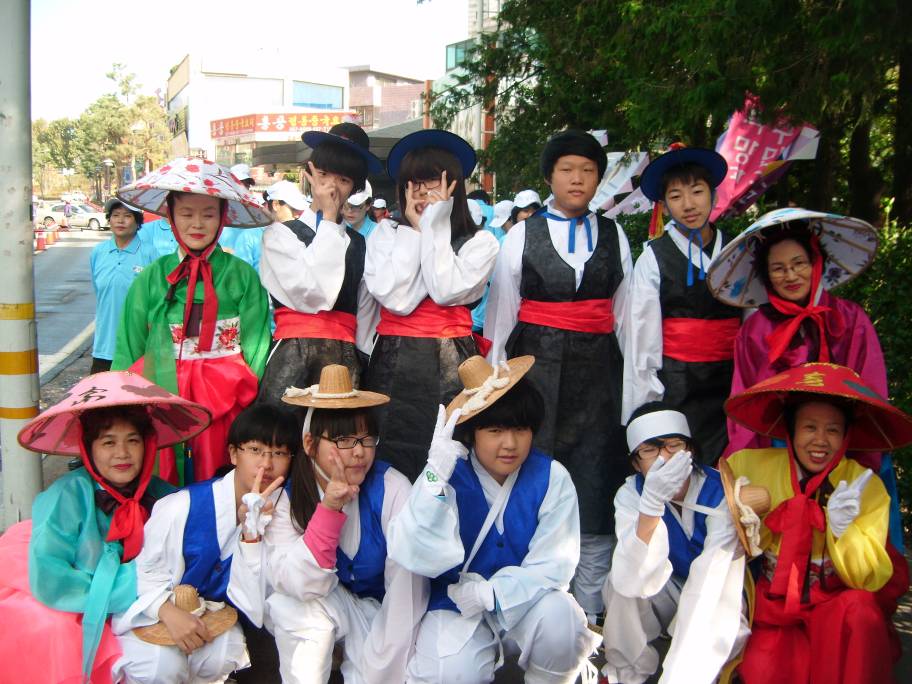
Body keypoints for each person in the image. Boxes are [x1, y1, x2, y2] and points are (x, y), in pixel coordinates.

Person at [484, 129, 632, 621]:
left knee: (595, 485)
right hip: (534, 377)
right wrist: (496, 384)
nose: (577, 179)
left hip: (599, 383)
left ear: (598, 180)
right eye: (567, 169)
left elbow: (628, 317)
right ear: (549, 177)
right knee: (533, 477)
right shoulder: (522, 235)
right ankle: (527, 601)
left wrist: (634, 392)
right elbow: (503, 316)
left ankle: (587, 611)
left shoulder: (615, 235)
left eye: (588, 171)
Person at [388, 354, 600, 683]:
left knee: (563, 621)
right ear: (473, 433)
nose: (510, 444)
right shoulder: (448, 479)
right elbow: (416, 548)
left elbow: (554, 564)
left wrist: (493, 594)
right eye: (496, 430)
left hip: (527, 600)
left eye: (520, 429)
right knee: (449, 674)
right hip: (456, 603)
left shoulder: (550, 478)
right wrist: (433, 476)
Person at [0, 371, 210, 684]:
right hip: (73, 602)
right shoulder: (66, 497)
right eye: (108, 442)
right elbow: (53, 580)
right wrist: (153, 603)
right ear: (88, 449)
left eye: (133, 441)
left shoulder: (165, 497)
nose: (122, 454)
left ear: (148, 445)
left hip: (143, 605)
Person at [725, 362, 912, 684]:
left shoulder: (864, 484)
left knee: (862, 612)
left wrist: (844, 532)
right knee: (764, 671)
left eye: (833, 430)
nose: (821, 440)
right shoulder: (747, 466)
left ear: (846, 435)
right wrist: (747, 513)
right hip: (773, 606)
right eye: (810, 427)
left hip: (837, 602)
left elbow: (867, 580)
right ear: (791, 430)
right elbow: (722, 536)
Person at [112, 157, 273, 485]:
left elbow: (257, 346)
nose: (197, 223)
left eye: (208, 214)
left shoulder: (241, 276)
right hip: (159, 400)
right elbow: (128, 347)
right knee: (160, 484)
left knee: (221, 484)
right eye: (186, 214)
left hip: (225, 404)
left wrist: (247, 403)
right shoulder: (152, 279)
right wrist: (120, 409)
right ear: (170, 216)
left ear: (222, 217)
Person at [262, 364, 426, 683]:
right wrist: (330, 507)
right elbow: (297, 583)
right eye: (343, 440)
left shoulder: (393, 488)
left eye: (366, 439)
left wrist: (380, 666)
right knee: (290, 608)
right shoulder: (289, 498)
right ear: (310, 444)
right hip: (326, 605)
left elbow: (406, 590)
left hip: (385, 614)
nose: (360, 452)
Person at [111, 403, 297, 683]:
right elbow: (142, 573)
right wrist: (168, 612)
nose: (266, 464)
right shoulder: (182, 506)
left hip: (218, 621)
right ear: (234, 453)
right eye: (256, 450)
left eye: (280, 453)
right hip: (160, 611)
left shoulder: (284, 514)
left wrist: (251, 535)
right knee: (161, 666)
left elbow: (255, 605)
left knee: (223, 653)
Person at [363, 129, 500, 482]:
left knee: (450, 447)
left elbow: (445, 289)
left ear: (455, 186)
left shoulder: (481, 242)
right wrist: (415, 230)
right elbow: (398, 300)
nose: (425, 194)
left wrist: (433, 228)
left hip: (451, 359)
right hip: (392, 358)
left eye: (435, 183)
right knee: (388, 446)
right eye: (416, 184)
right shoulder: (384, 234)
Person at [601, 402, 753, 684]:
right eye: (650, 450)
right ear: (636, 462)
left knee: (709, 618)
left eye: (673, 446)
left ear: (690, 451)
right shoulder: (631, 493)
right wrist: (651, 505)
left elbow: (711, 574)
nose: (664, 459)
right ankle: (627, 673)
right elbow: (630, 577)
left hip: (715, 595)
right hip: (665, 588)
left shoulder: (721, 490)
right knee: (618, 583)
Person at [621, 145, 742, 465]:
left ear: (713, 196)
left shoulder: (738, 250)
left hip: (732, 381)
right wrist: (648, 403)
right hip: (676, 382)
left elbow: (753, 318)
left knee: (730, 468)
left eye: (697, 192)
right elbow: (642, 337)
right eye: (676, 196)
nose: (689, 204)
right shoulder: (654, 257)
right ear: (664, 206)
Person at [257, 123, 382, 405]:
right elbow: (315, 295)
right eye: (323, 175)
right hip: (292, 355)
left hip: (345, 358)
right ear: (309, 174)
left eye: (344, 180)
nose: (331, 187)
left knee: (338, 440)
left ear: (356, 188)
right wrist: (328, 220)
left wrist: (362, 359)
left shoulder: (360, 243)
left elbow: (365, 312)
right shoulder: (279, 235)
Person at [90, 199, 157, 375]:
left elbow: (157, 300)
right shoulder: (98, 252)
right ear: (109, 220)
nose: (120, 221)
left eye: (127, 216)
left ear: (137, 222)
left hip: (138, 347)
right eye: (115, 215)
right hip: (104, 346)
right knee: (100, 399)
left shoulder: (150, 253)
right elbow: (100, 293)